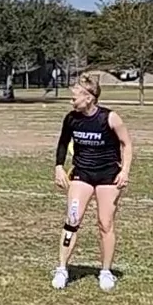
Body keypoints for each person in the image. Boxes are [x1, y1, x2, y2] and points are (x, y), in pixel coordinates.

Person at [52, 74, 133, 291]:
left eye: (75, 97)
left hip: (108, 176)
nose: (71, 101)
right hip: (82, 174)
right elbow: (63, 143)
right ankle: (62, 268)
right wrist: (59, 167)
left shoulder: (110, 118)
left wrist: (125, 171)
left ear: (89, 98)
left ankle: (105, 272)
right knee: (72, 219)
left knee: (105, 224)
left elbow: (126, 144)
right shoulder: (71, 119)